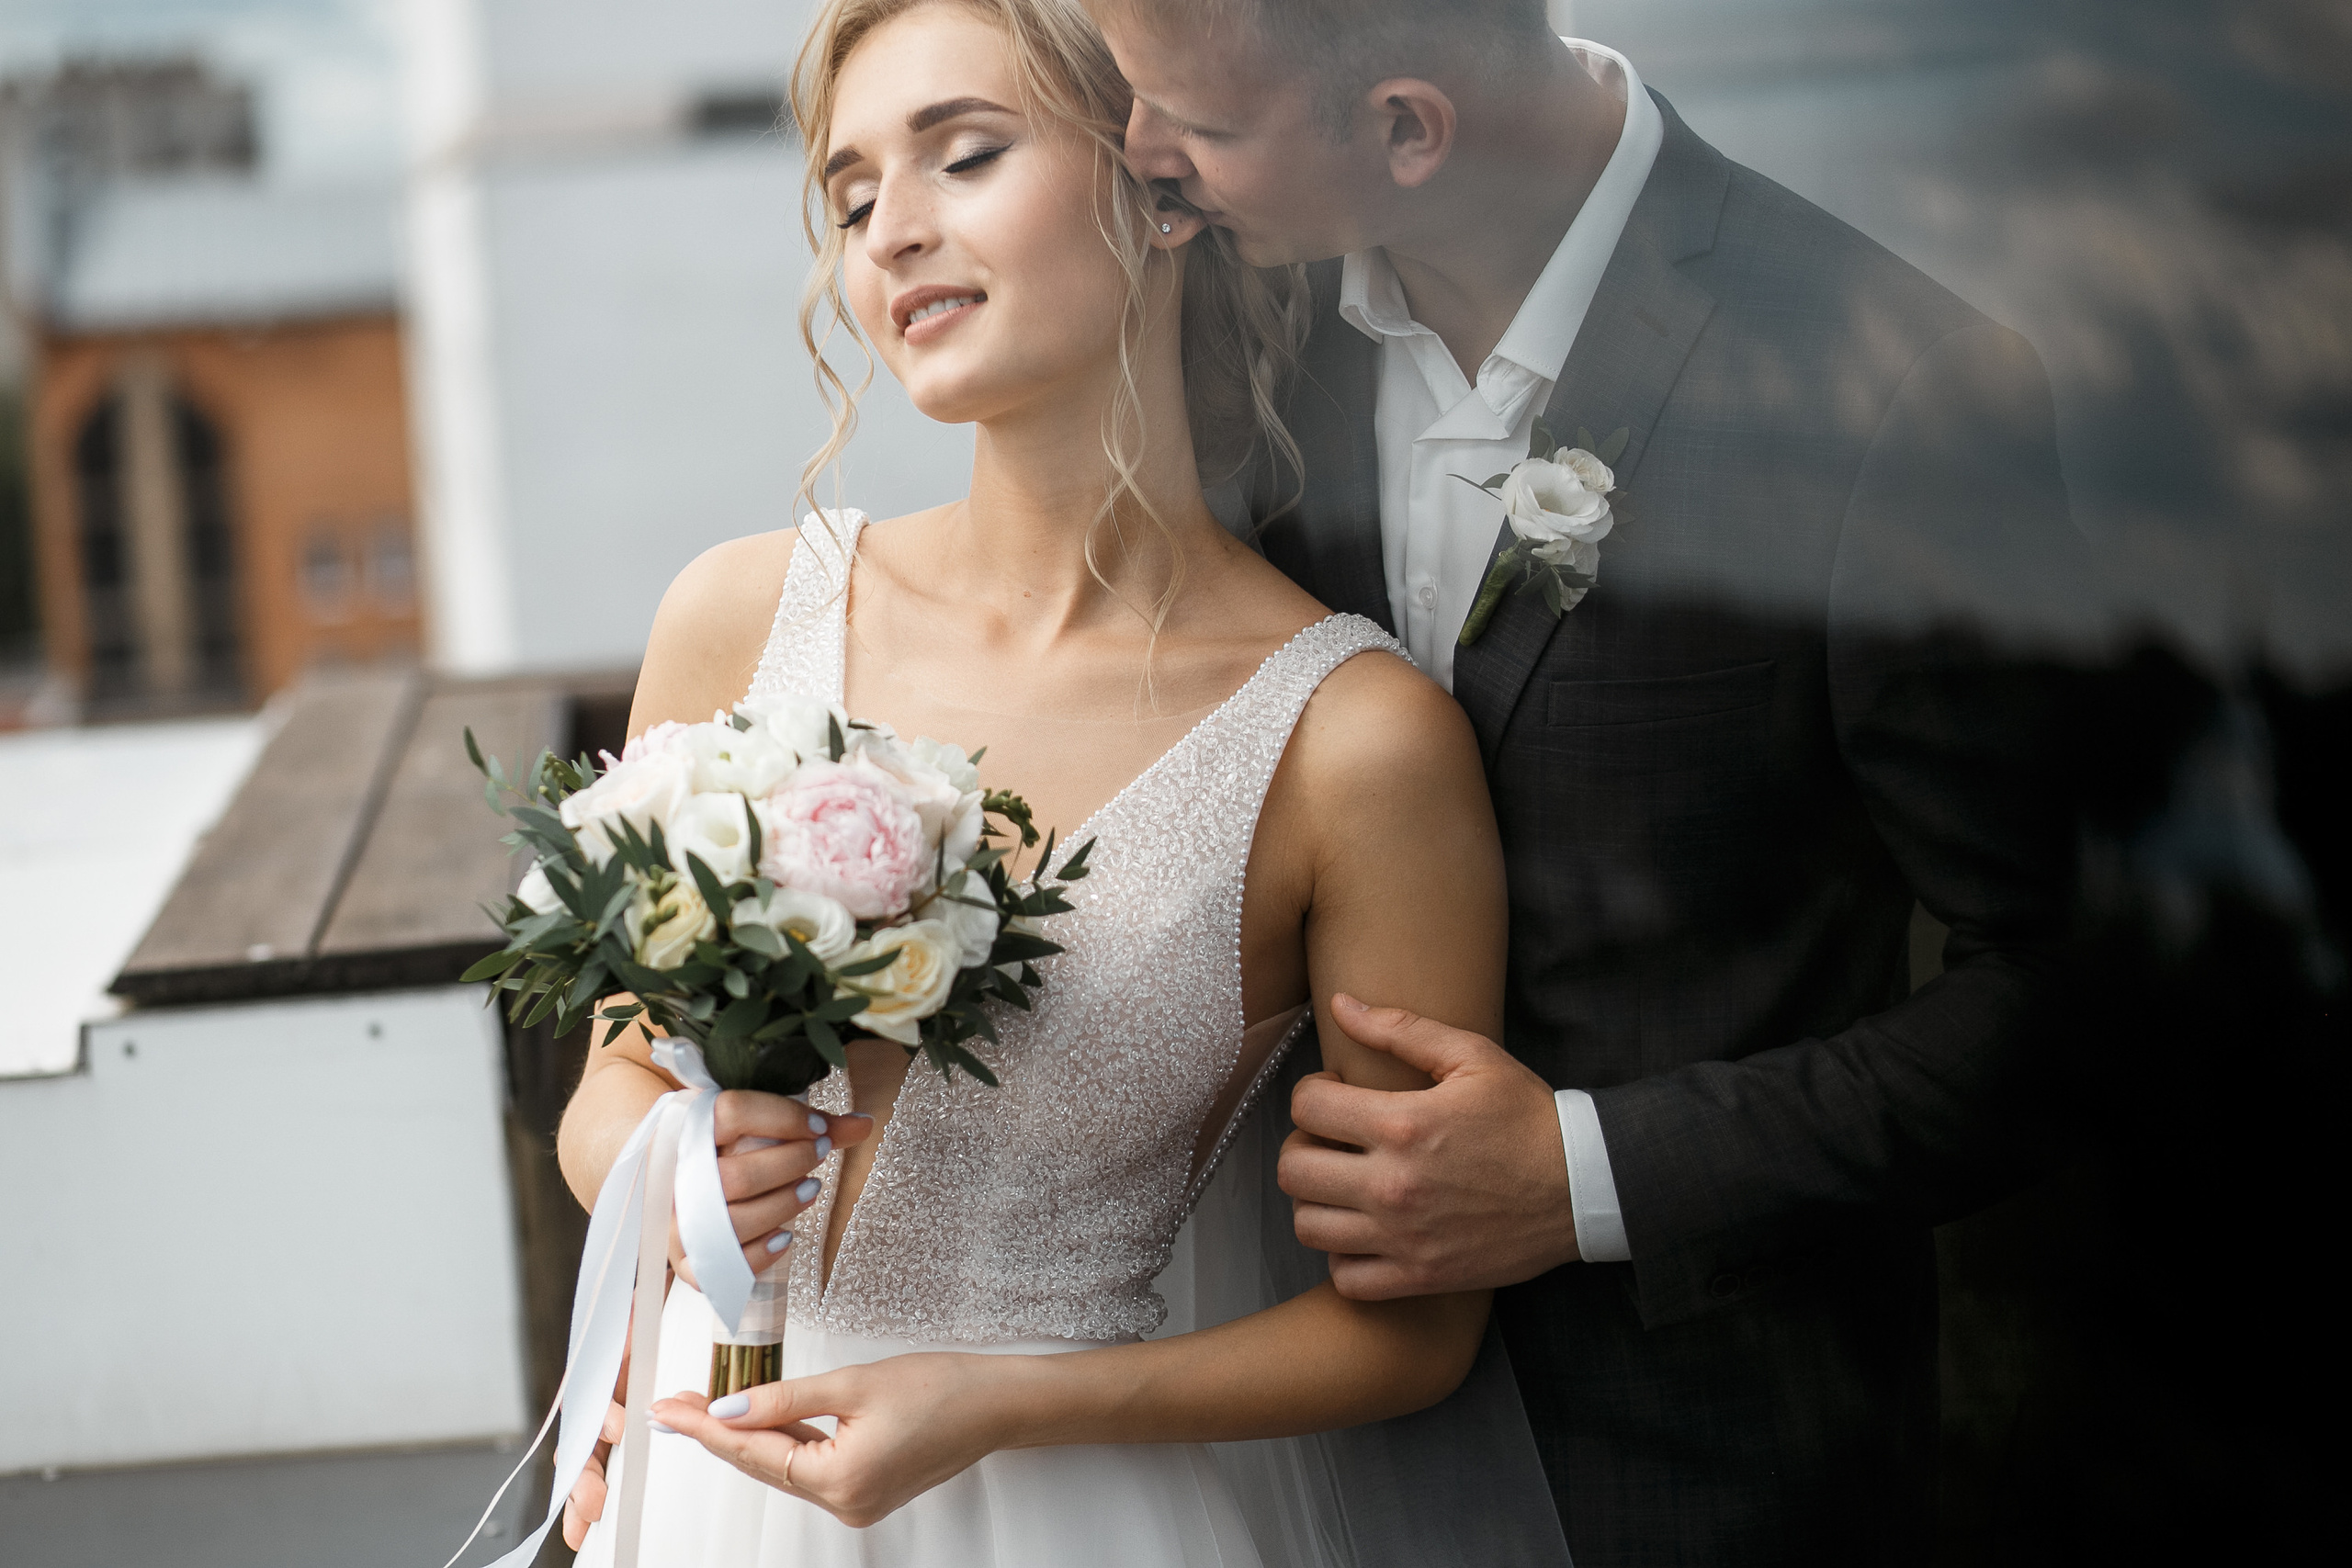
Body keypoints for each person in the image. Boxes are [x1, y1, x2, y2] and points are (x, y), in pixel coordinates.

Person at [555, 0, 1568, 1562]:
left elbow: (1412, 1332)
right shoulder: (738, 619)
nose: (893, 232)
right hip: (711, 1493)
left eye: (963, 155)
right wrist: (660, 1165)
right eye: (850, 196)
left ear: (1162, 186)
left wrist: (1010, 1402)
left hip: (1074, 1513)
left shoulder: (1353, 740)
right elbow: (613, 1081)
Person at [1080, 0, 2094, 1562]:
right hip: (1256, 1453)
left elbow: (2086, 995)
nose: (1139, 156)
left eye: (1193, 124)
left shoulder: (1891, 390)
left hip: (1694, 1470)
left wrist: (1587, 1175)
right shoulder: (1215, 307)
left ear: (1408, 130)